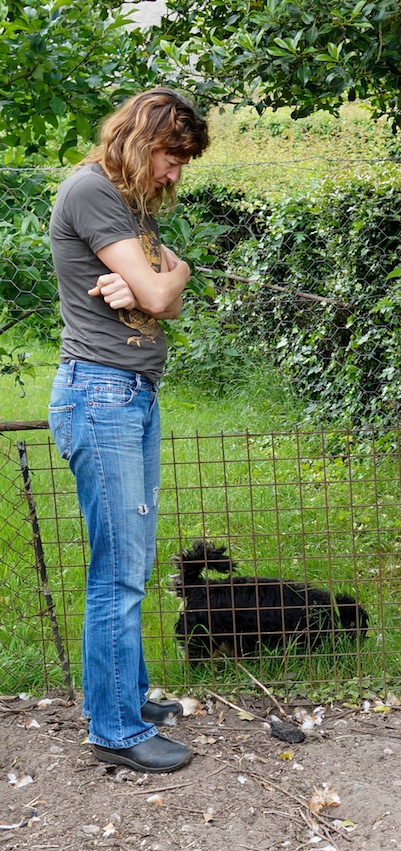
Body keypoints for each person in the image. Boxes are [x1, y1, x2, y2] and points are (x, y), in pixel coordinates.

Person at [48, 88, 209, 773]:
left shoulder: (129, 201)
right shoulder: (91, 191)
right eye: (172, 156)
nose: (177, 171)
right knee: (118, 571)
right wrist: (163, 281)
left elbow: (166, 291)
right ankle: (114, 729)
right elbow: (162, 292)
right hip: (100, 394)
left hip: (129, 393)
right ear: (142, 142)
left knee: (132, 562)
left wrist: (164, 281)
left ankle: (126, 695)